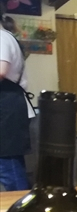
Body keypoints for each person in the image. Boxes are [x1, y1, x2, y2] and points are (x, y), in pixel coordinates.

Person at [0, 10, 33, 191]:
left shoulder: (1, 37)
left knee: (8, 165)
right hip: (8, 105)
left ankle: (20, 207)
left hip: (8, 107)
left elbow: (1, 70)